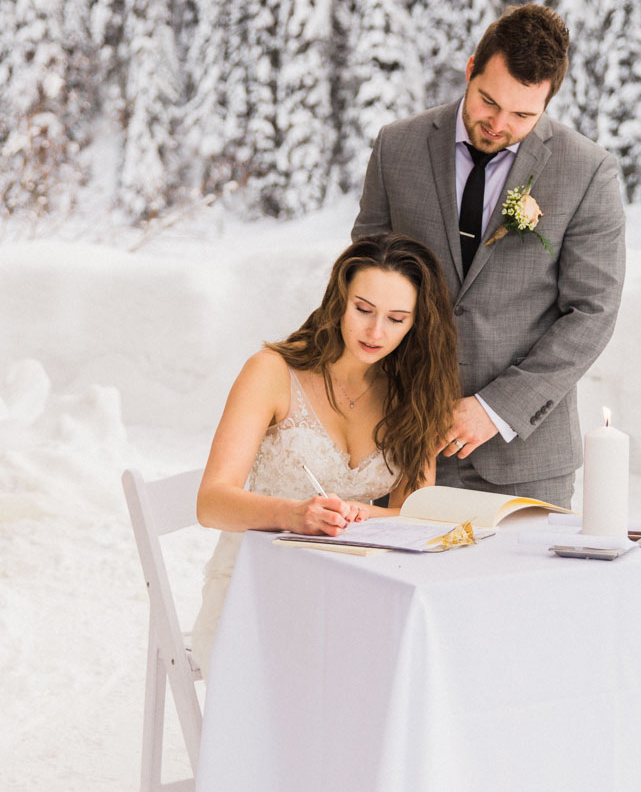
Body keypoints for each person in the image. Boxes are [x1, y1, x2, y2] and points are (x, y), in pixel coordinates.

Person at [352, 3, 626, 508]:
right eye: (487, 102)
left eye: (523, 114)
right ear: (470, 68)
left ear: (548, 103)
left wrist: (495, 408)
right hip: (396, 444)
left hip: (524, 462)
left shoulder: (588, 172)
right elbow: (361, 279)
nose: (499, 124)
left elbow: (592, 313)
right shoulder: (398, 147)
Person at [191, 233, 459, 670]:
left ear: (417, 324)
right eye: (363, 310)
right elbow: (211, 504)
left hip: (355, 594)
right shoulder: (272, 372)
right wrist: (294, 515)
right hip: (256, 590)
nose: (375, 332)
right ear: (339, 299)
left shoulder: (414, 394)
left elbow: (416, 518)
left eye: (396, 319)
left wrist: (359, 514)